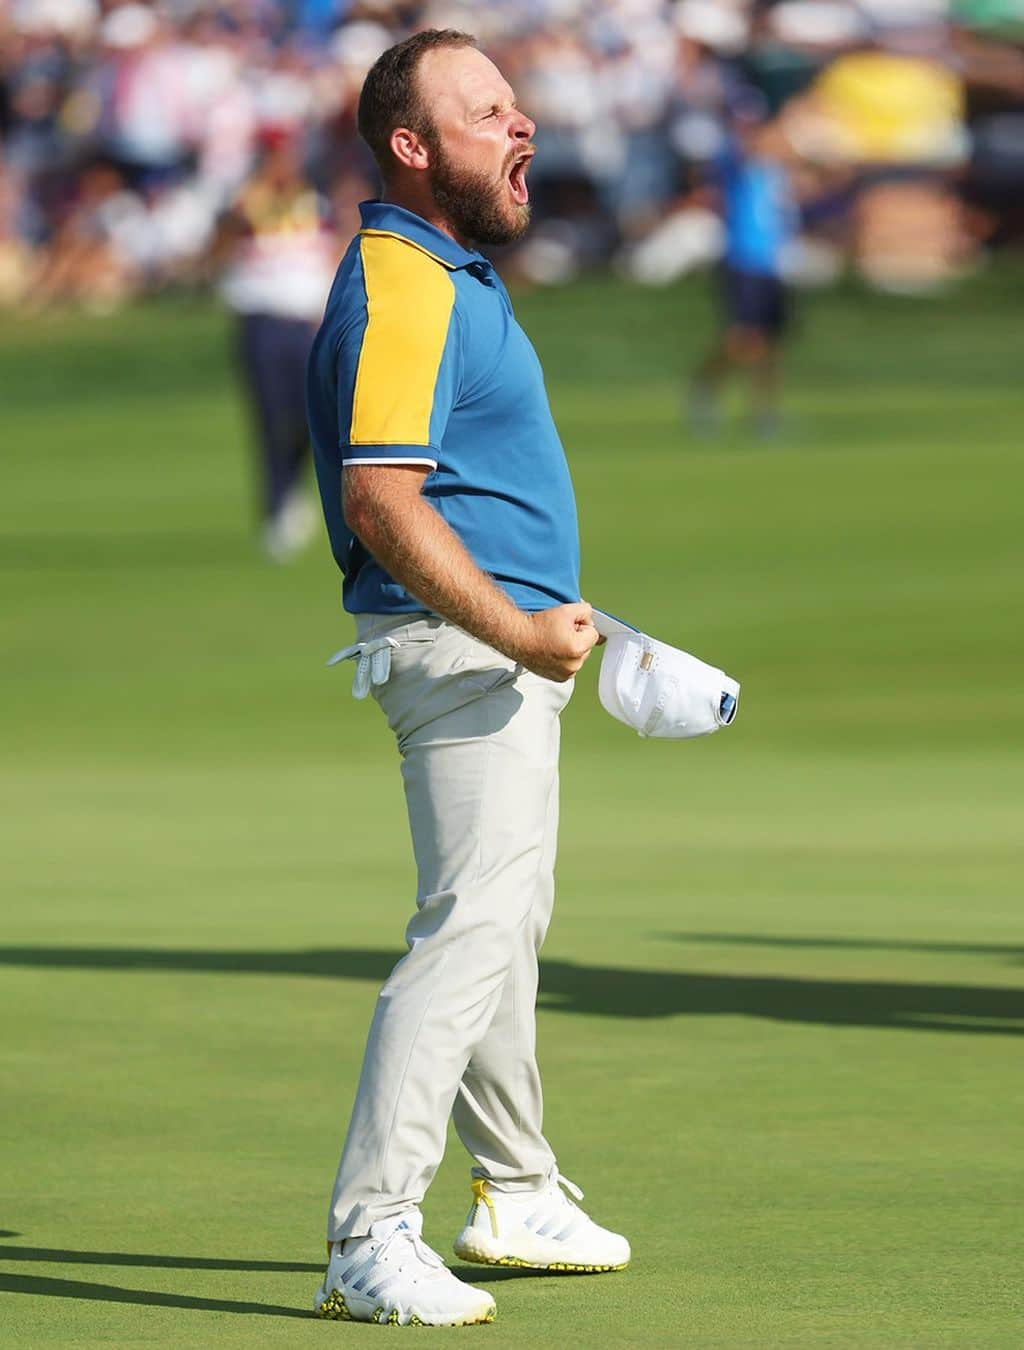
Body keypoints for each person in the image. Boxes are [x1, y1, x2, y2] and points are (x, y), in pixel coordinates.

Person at [305, 29, 630, 1328]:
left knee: (504, 926)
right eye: (485, 108)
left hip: (492, 647)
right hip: (461, 654)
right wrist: (517, 631)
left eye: (515, 103)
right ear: (411, 145)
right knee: (469, 934)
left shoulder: (451, 272)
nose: (521, 124)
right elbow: (381, 499)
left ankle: (516, 1185)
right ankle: (368, 1231)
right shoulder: (404, 281)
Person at [216, 132, 336, 560]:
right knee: (269, 415)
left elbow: (329, 252)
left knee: (310, 415)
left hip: (306, 320)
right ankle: (277, 508)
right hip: (260, 316)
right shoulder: (244, 202)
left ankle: (293, 488)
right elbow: (218, 249)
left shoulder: (314, 202)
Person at [689, 92, 799, 438]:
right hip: (742, 259)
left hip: (772, 262)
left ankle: (765, 411)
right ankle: (705, 389)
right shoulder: (731, 159)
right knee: (743, 339)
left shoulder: (774, 169)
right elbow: (736, 158)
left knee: (772, 342)